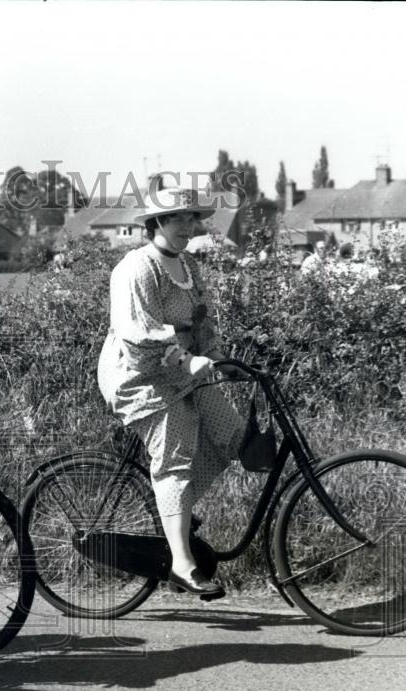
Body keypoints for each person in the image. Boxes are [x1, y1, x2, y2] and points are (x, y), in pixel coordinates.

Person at [97, 186, 245, 598]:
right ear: (156, 223)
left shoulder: (188, 268)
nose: (189, 226)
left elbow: (201, 323)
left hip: (186, 371)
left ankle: (173, 515)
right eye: (179, 218)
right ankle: (182, 565)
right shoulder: (136, 268)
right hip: (141, 376)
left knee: (231, 435)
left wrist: (218, 358)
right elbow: (138, 338)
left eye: (192, 218)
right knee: (175, 459)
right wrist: (189, 362)